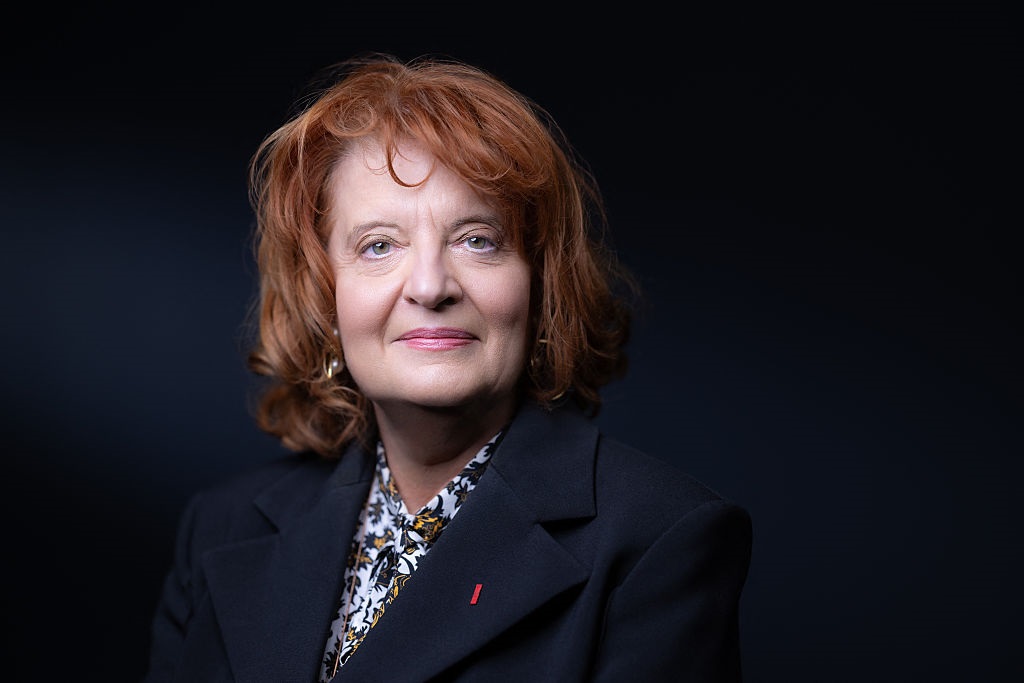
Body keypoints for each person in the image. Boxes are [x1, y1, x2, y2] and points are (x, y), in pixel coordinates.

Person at [142, 52, 752, 683]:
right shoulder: (220, 528)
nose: (431, 286)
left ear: (541, 286)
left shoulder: (660, 537)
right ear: (326, 300)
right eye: (379, 245)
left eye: (476, 239)